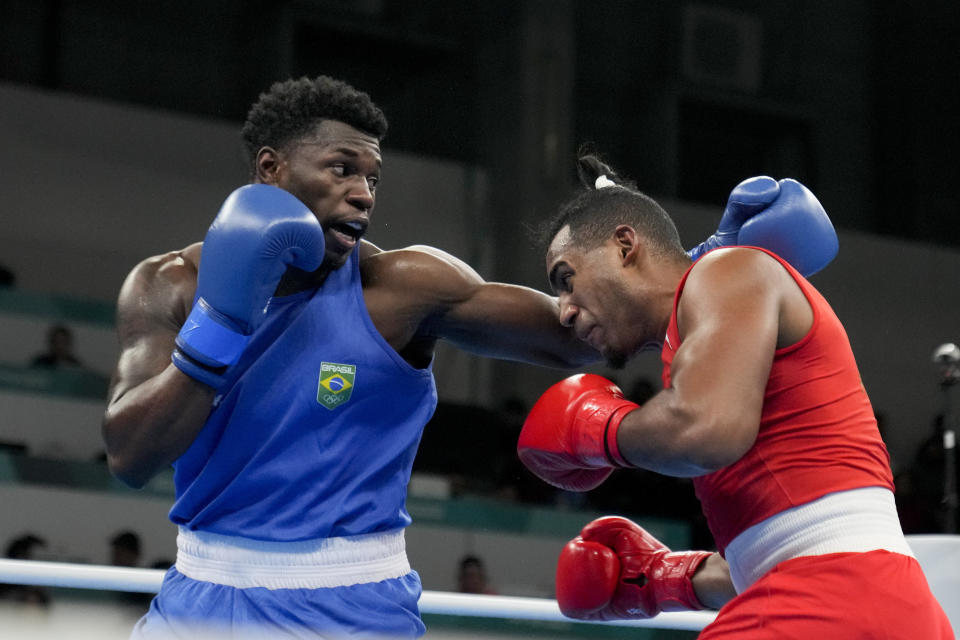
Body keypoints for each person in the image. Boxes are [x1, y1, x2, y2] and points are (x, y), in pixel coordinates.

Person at [101, 75, 839, 638]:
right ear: (270, 170)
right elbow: (130, 455)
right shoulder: (170, 286)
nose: (362, 195)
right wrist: (221, 325)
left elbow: (590, 327)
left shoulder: (404, 288)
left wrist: (705, 269)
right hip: (203, 590)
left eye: (373, 178)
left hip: (355, 600)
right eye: (340, 169)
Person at [516, 153, 954, 637]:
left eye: (566, 279)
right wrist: (664, 580)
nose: (564, 312)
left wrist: (599, 430)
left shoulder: (727, 272)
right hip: (877, 604)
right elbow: (798, 539)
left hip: (834, 597)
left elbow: (705, 430)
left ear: (624, 245)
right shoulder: (706, 335)